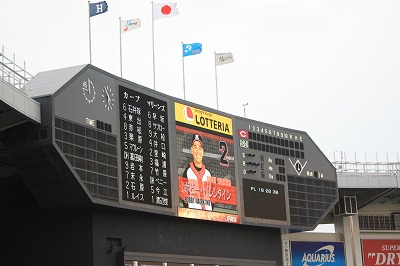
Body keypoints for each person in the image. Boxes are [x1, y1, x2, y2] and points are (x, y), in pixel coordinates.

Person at [181, 133, 213, 211]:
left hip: (209, 216)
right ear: (192, 150)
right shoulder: (187, 171)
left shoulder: (208, 173)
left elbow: (213, 197)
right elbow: (183, 195)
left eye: (200, 148)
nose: (197, 151)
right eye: (195, 147)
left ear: (203, 151)